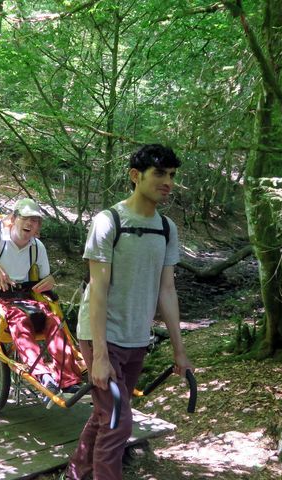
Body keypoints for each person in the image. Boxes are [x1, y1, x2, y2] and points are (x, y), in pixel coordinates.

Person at [66, 144, 193, 480]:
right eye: (160, 174)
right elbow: (98, 290)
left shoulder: (167, 228)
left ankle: (76, 473)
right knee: (117, 423)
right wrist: (100, 356)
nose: (167, 181)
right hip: (101, 336)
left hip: (137, 338)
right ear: (135, 176)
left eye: (172, 175)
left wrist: (180, 351)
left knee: (104, 415)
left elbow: (167, 290)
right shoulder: (108, 222)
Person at [0, 198, 82, 394]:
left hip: (25, 296)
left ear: (38, 227)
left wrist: (50, 280)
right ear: (14, 219)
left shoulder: (37, 247)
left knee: (52, 320)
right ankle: (42, 375)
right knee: (20, 320)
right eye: (25, 218)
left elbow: (45, 280)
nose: (30, 224)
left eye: (35, 221)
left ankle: (69, 380)